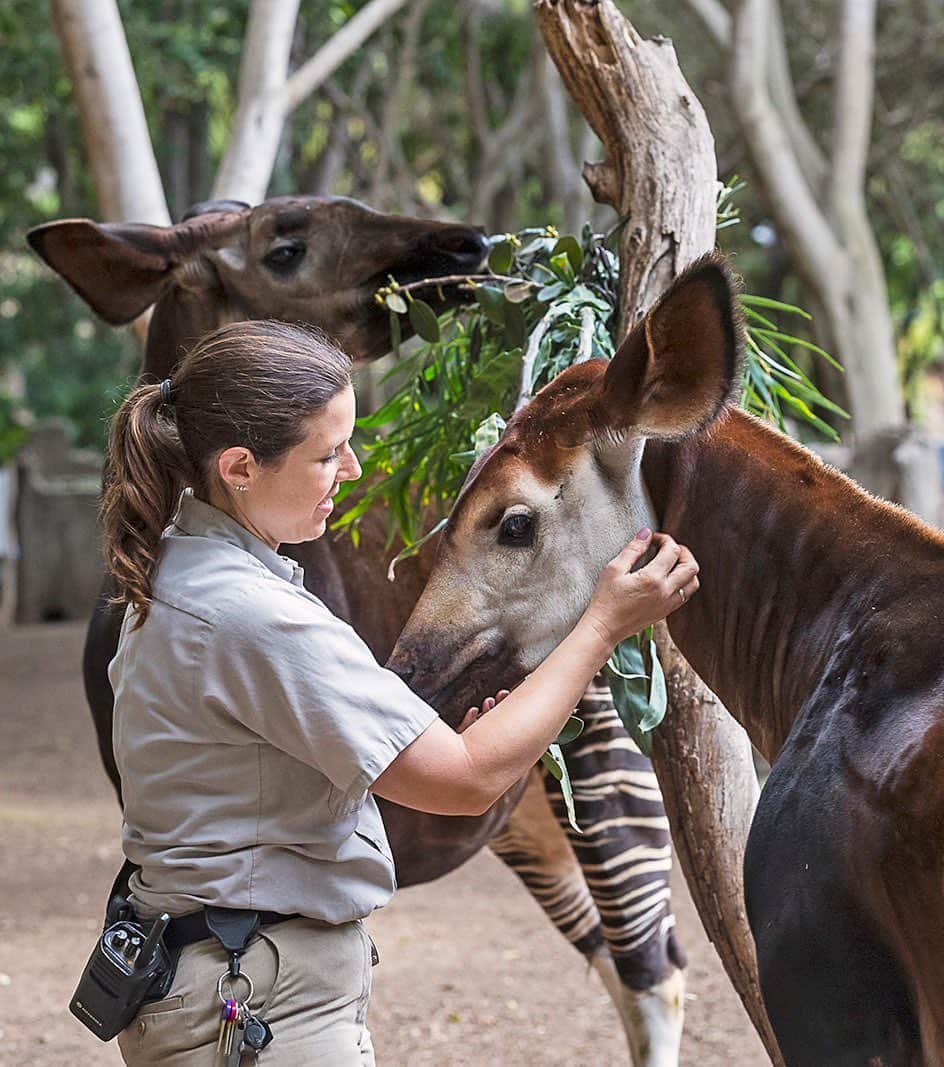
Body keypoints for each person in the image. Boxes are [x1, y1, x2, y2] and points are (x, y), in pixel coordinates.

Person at [101, 319, 699, 1065]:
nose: (351, 470)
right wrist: (604, 623)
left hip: (210, 978)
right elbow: (467, 779)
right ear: (239, 467)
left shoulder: (172, 574)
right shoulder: (256, 616)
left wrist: (476, 736)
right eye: (327, 454)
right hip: (260, 1003)